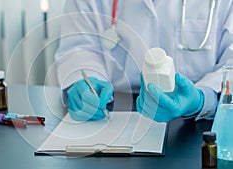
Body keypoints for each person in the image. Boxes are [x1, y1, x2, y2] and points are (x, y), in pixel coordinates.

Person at [54, 0, 233, 122]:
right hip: (112, 113)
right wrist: (84, 81)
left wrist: (202, 99)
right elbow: (79, 47)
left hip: (198, 124)